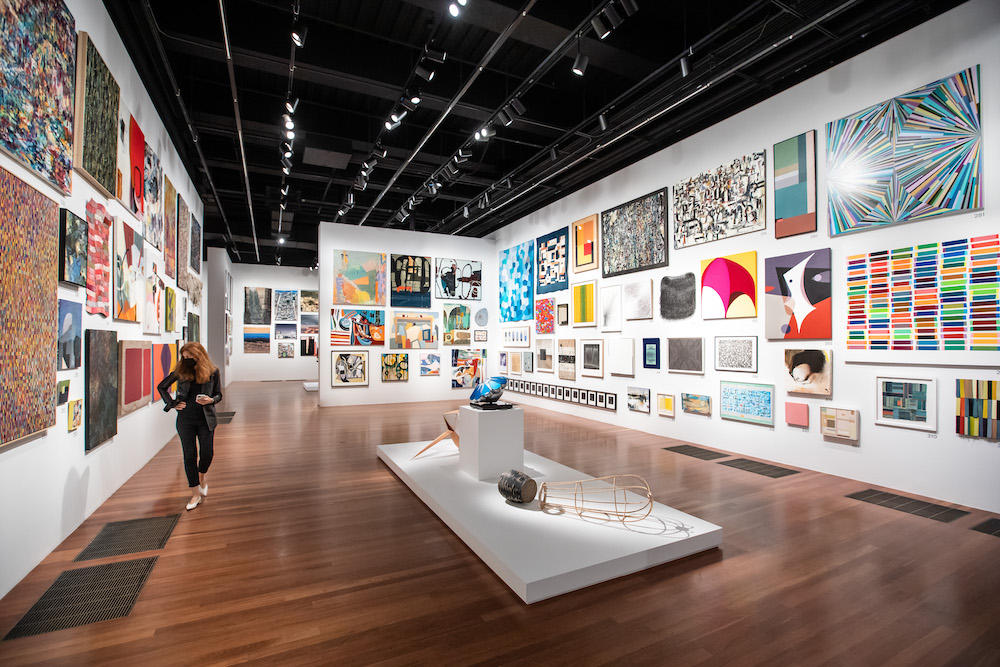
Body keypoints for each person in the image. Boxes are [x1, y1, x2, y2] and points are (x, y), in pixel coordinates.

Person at [157, 342, 223, 510]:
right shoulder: (180, 372)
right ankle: (195, 493)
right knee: (189, 455)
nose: (186, 361)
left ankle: (201, 477)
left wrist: (211, 400)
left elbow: (218, 394)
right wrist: (171, 403)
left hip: (206, 418)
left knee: (207, 453)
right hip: (185, 419)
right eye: (184, 358)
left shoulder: (213, 372)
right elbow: (162, 387)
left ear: (199, 356)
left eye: (190, 358)